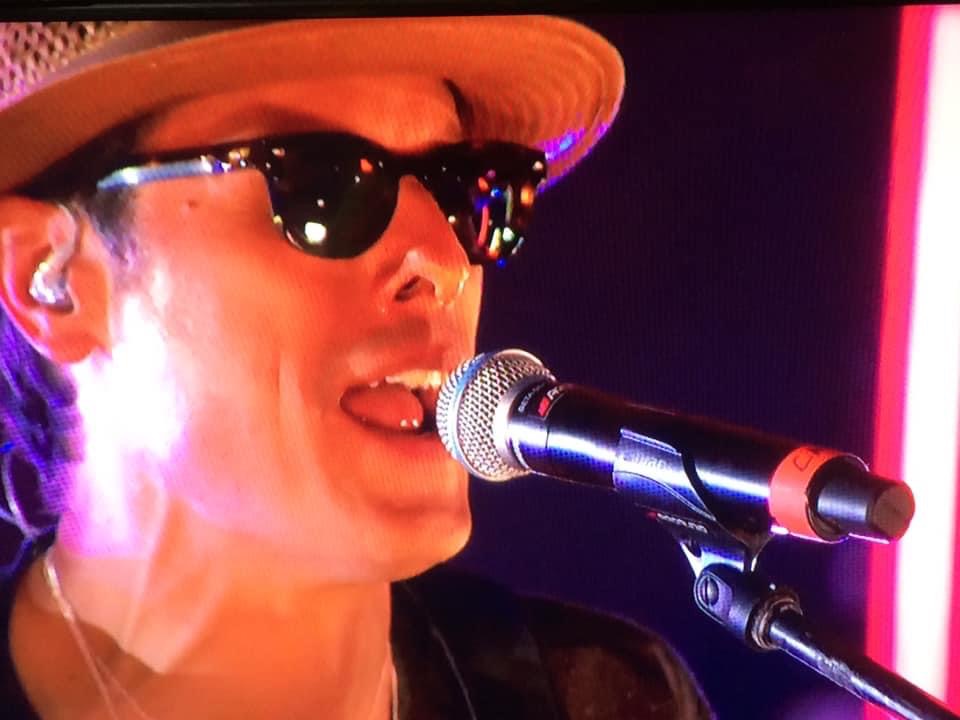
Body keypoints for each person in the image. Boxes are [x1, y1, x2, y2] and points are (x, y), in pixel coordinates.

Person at [0, 17, 714, 719]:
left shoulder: (606, 698)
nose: (443, 261)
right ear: (49, 280)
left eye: (463, 188)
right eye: (324, 188)